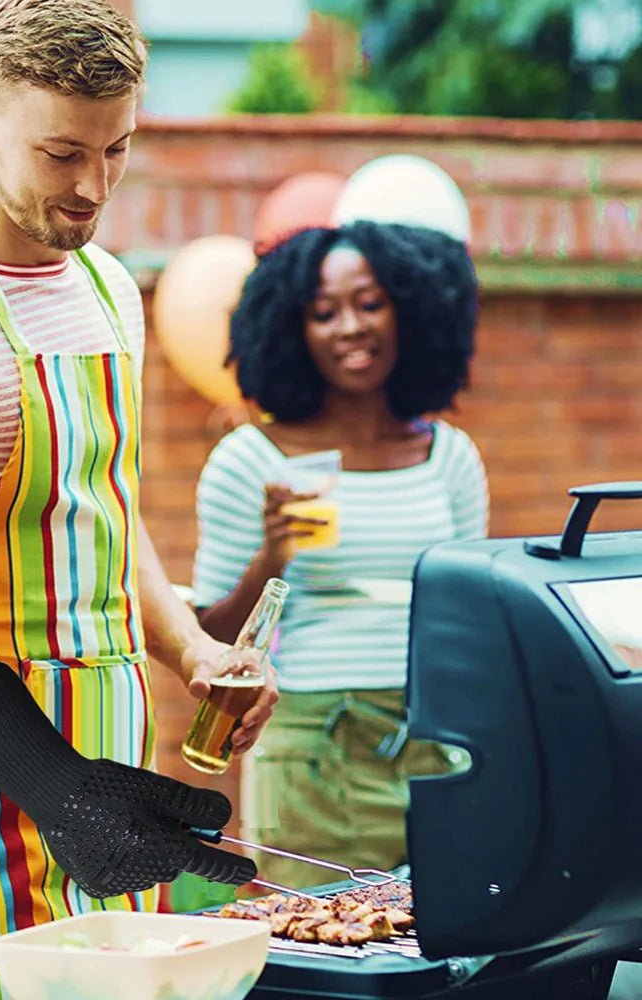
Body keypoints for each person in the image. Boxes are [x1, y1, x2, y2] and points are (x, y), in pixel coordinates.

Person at [0, 1, 277, 995]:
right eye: (61, 153)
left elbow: (105, 521)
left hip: (109, 763)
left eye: (115, 151)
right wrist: (51, 781)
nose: (92, 187)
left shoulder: (109, 286)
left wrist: (191, 650)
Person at [194, 221, 489, 889]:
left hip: (433, 742)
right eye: (323, 312)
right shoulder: (251, 460)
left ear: (410, 312)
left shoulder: (450, 458)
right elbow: (209, 636)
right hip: (310, 750)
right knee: (318, 946)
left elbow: (469, 614)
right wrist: (274, 553)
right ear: (291, 331)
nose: (350, 327)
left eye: (370, 303)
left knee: (449, 952)